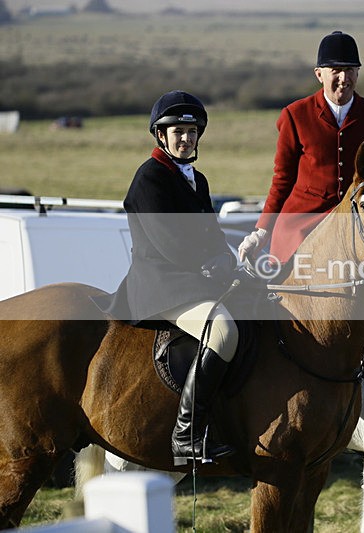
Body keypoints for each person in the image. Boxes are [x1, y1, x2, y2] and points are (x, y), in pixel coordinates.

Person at [99, 90, 238, 465]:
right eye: (178, 132)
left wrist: (227, 258)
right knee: (223, 331)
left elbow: (213, 233)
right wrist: (211, 266)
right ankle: (186, 435)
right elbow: (171, 243)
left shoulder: (198, 180)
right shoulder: (150, 178)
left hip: (193, 281)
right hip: (162, 285)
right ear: (161, 135)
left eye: (192, 132)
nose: (186, 139)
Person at [238, 30, 364, 267]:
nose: (344, 78)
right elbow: (283, 178)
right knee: (279, 278)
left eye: (350, 70)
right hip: (303, 222)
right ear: (319, 74)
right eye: (336, 70)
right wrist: (262, 230)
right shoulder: (295, 115)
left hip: (358, 222)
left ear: (358, 73)